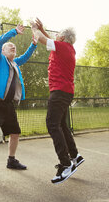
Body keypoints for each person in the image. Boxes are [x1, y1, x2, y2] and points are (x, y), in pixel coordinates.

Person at [0, 24, 37, 180]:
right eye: (10, 46)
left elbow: (25, 57)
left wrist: (33, 44)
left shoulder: (14, 64)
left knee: (15, 133)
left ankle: (11, 160)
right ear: (2, 51)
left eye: (14, 47)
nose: (13, 48)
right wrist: (14, 32)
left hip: (8, 104)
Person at [31, 18, 84, 185]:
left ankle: (66, 164)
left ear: (63, 38)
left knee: (52, 124)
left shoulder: (61, 47)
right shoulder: (68, 48)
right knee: (61, 124)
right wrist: (42, 29)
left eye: (59, 33)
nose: (57, 34)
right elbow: (49, 40)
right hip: (66, 92)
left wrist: (34, 29)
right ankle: (75, 155)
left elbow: (40, 38)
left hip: (59, 92)